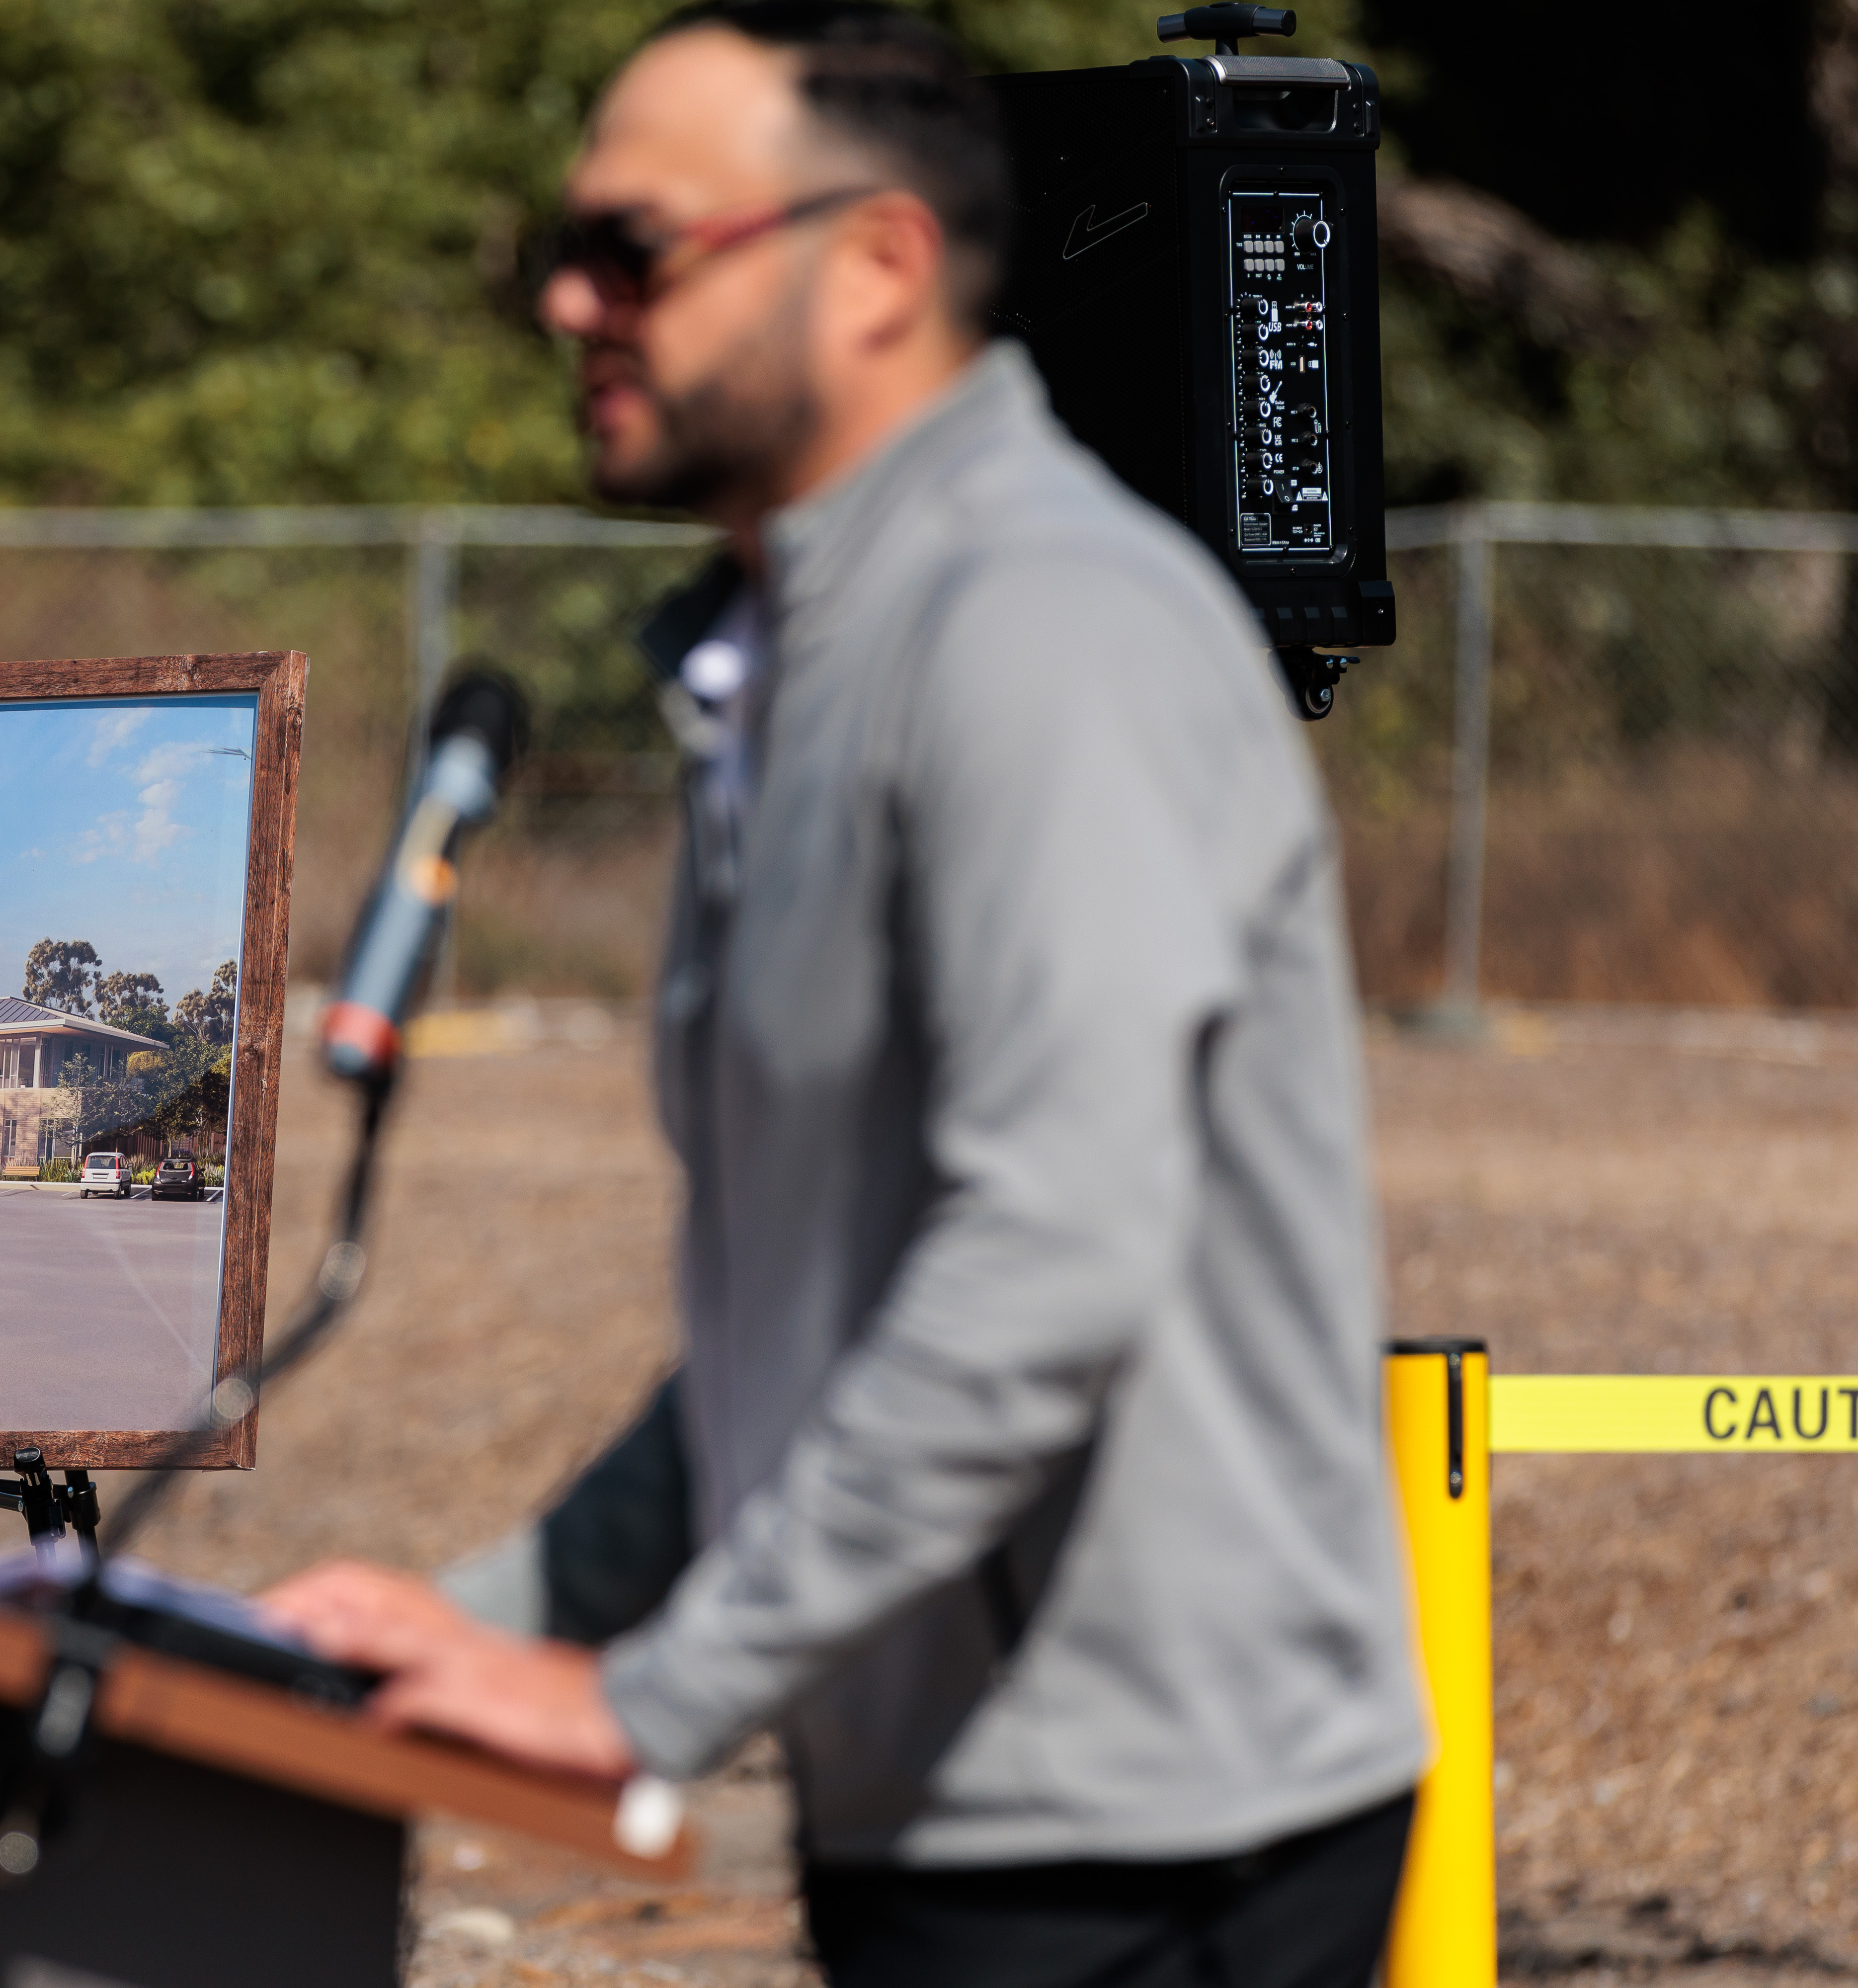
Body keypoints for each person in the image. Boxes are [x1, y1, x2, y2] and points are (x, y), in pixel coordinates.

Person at [260, 4, 1430, 1982]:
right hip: (953, 1810)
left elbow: (1051, 1256)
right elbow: (823, 1308)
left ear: (876, 263)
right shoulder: (794, 659)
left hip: (1161, 1847)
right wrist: (508, 1609)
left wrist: (648, 1701)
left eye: (632, 251)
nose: (564, 302)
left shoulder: (1045, 630)